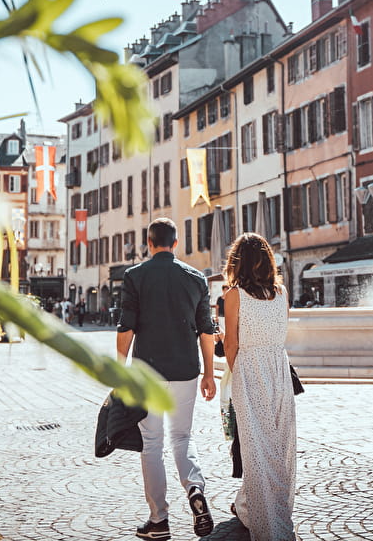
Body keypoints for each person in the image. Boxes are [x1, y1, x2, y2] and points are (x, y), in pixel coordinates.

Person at [117, 217, 216, 541]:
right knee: (183, 438)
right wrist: (208, 374)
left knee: (152, 444)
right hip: (186, 370)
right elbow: (206, 331)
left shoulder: (134, 277)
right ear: (176, 244)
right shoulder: (196, 279)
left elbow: (126, 329)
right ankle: (195, 489)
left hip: (148, 373)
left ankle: (159, 520)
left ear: (149, 243)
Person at [224, 232, 296, 541]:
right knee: (280, 444)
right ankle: (261, 507)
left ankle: (266, 524)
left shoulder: (233, 296)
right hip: (279, 369)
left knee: (255, 446)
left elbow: (230, 344)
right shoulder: (281, 292)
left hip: (250, 368)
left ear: (237, 263)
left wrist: (235, 373)